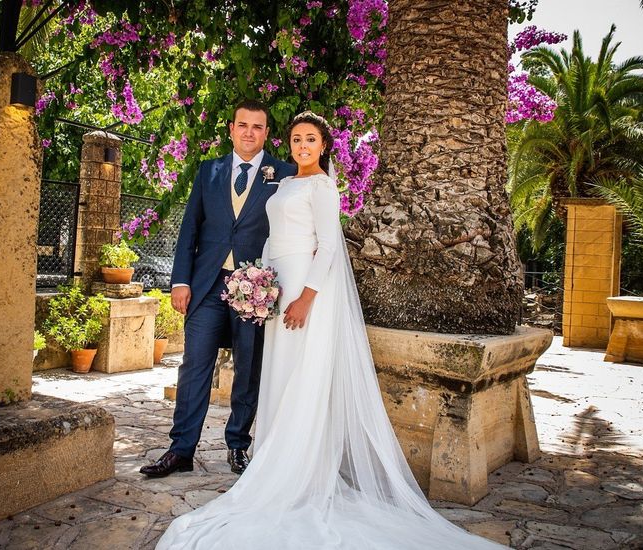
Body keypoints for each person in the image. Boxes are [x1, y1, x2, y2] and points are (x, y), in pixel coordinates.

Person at [155, 111, 503, 549]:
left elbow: (329, 245)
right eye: (296, 139)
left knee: (282, 374)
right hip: (262, 285)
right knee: (256, 374)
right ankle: (212, 452)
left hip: (300, 287)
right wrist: (255, 282)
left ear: (323, 145)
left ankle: (274, 460)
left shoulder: (316, 184)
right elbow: (226, 231)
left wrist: (305, 296)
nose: (301, 146)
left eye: (310, 139)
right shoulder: (271, 180)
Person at [140, 100, 297, 478]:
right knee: (194, 365)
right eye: (242, 125)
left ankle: (237, 446)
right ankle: (181, 450)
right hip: (207, 285)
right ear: (231, 129)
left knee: (248, 368)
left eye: (257, 127)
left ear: (266, 134)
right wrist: (180, 281)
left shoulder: (286, 174)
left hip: (256, 289)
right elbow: (190, 229)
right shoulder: (208, 172)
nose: (249, 132)